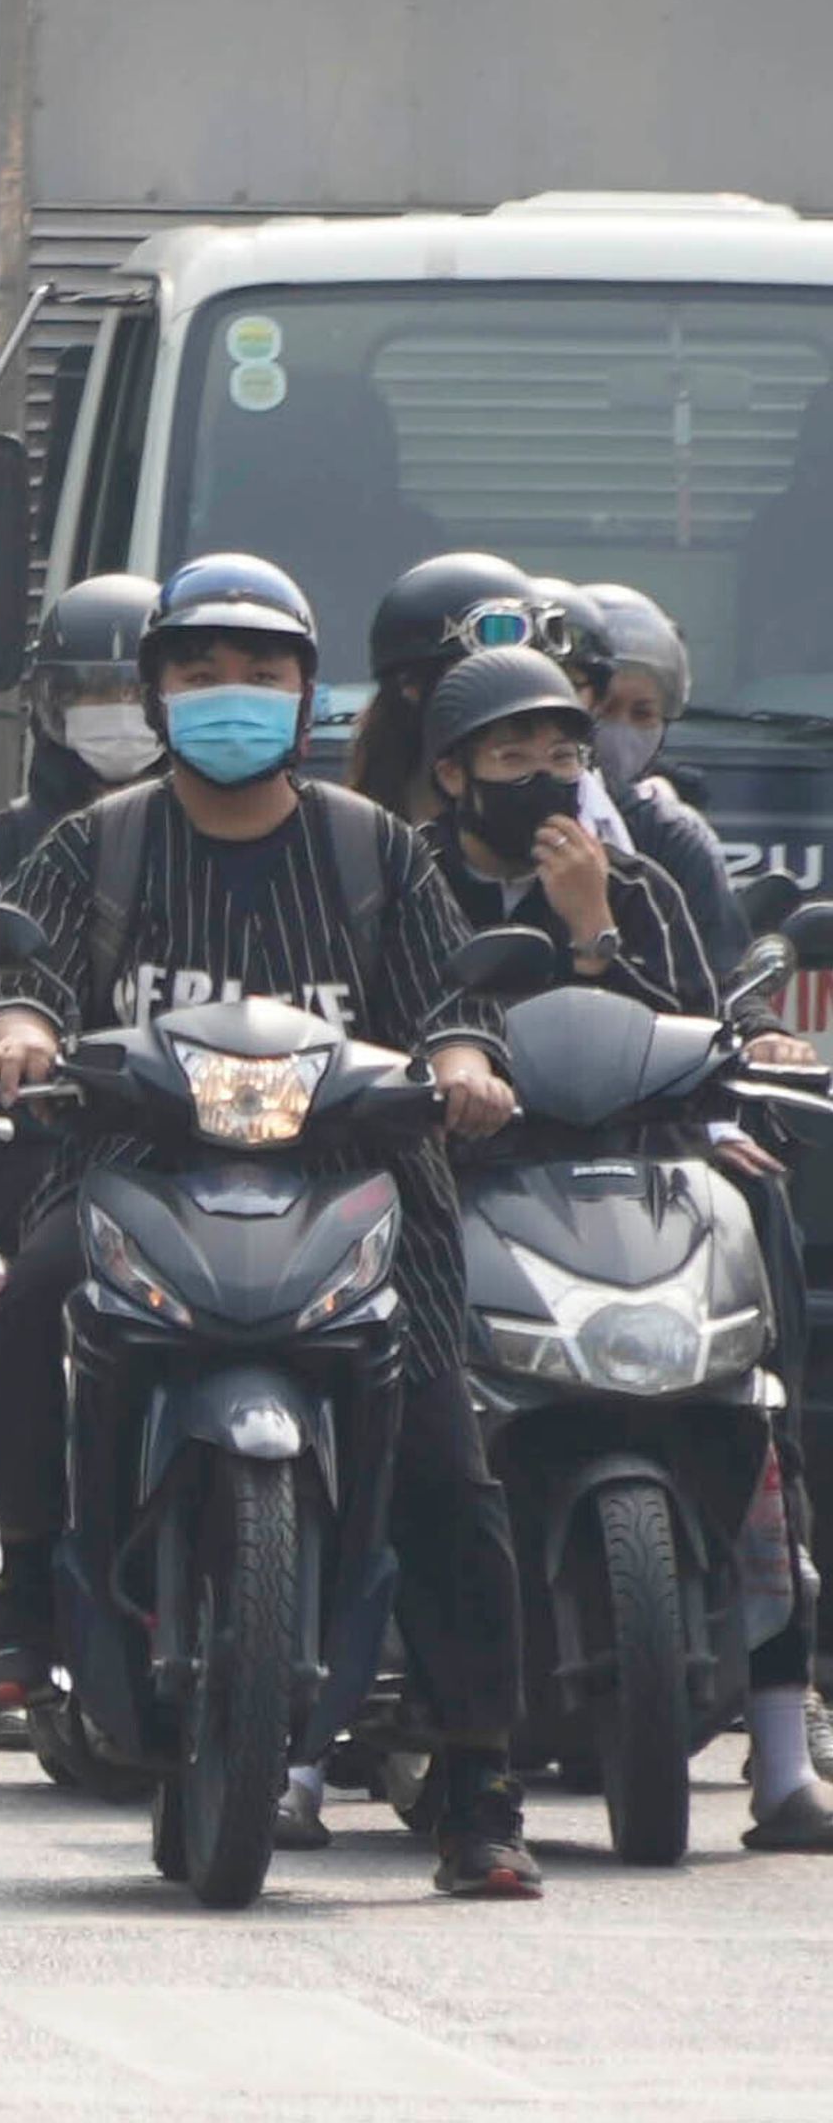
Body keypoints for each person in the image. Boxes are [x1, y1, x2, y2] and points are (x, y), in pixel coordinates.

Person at [0, 553, 543, 1899]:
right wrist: (20, 1029)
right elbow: (18, 981)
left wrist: (462, 1063)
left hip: (356, 1189)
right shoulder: (95, 845)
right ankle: (33, 1582)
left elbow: (448, 999)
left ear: (306, 691)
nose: (233, 695)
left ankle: (477, 1784)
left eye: (263, 673)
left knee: (451, 1467)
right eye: (201, 672)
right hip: (137, 1176)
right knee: (31, 1302)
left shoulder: (372, 849)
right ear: (157, 692)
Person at [408, 646, 833, 1850]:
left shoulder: (632, 880)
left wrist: (593, 930)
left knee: (750, 1405)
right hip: (462, 1185)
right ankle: (312, 1730)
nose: (542, 778)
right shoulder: (409, 877)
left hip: (632, 1182)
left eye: (563, 755)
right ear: (454, 773)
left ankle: (782, 1754)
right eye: (512, 756)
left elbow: (695, 1031)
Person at [580, 582, 746, 972]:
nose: (621, 730)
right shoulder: (487, 818)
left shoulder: (673, 836)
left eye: (643, 714)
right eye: (605, 709)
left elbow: (719, 987)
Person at [0, 573, 164, 880]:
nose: (122, 712)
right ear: (53, 705)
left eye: (138, 694)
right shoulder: (2, 847)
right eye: (98, 692)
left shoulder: (208, 839)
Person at [343, 549, 544, 816]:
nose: (514, 704)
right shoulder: (350, 835)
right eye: (483, 681)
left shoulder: (577, 823)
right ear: (411, 685)